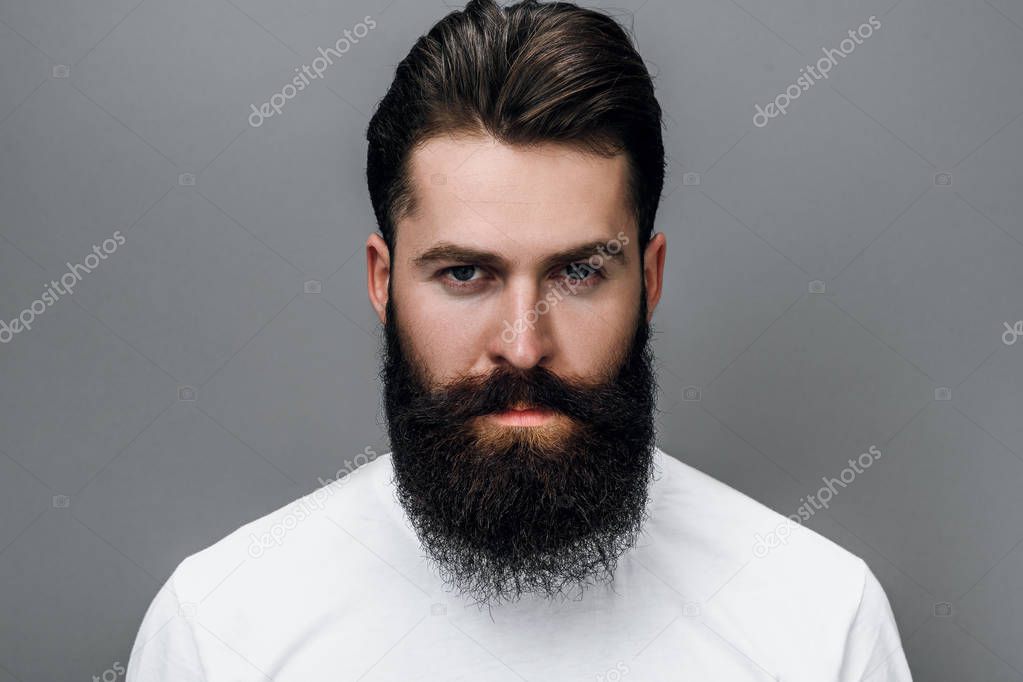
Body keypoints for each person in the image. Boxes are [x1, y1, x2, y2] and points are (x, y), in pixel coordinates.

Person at [126, 1, 913, 679]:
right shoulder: (222, 631)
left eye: (577, 272)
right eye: (465, 273)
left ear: (649, 278)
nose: (523, 347)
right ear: (382, 281)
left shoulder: (818, 619)